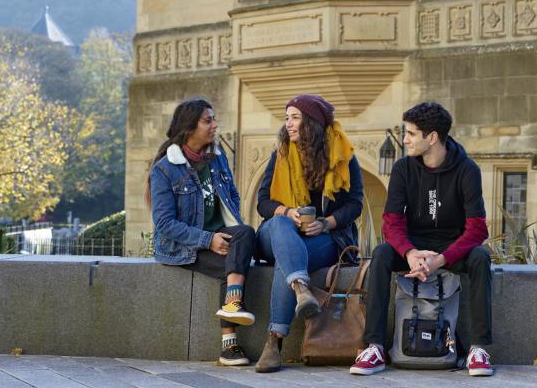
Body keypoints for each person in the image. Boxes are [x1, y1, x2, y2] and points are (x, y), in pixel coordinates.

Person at [350, 102, 494, 377]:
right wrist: (408, 252)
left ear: (432, 137)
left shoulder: (467, 170)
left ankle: (479, 348)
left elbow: (476, 229)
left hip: (452, 247)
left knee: (480, 257)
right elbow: (391, 221)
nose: (404, 139)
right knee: (380, 255)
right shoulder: (404, 168)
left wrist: (441, 260)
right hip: (413, 245)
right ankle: (375, 346)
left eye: (411, 133)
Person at [253, 94, 365, 373]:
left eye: (295, 117)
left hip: (324, 238)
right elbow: (263, 203)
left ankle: (274, 342)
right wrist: (287, 212)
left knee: (287, 261)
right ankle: (301, 288)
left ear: (312, 123)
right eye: (287, 117)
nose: (288, 124)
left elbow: (355, 204)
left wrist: (326, 223)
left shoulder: (343, 157)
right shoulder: (280, 155)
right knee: (281, 228)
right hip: (277, 232)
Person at [147, 98, 257, 366]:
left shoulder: (217, 158)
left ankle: (233, 302)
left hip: (218, 236)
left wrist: (221, 231)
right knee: (231, 266)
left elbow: (231, 192)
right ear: (189, 127)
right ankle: (229, 346)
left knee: (245, 232)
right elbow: (164, 223)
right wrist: (208, 240)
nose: (214, 125)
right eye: (208, 120)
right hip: (181, 246)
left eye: (214, 119)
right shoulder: (164, 169)